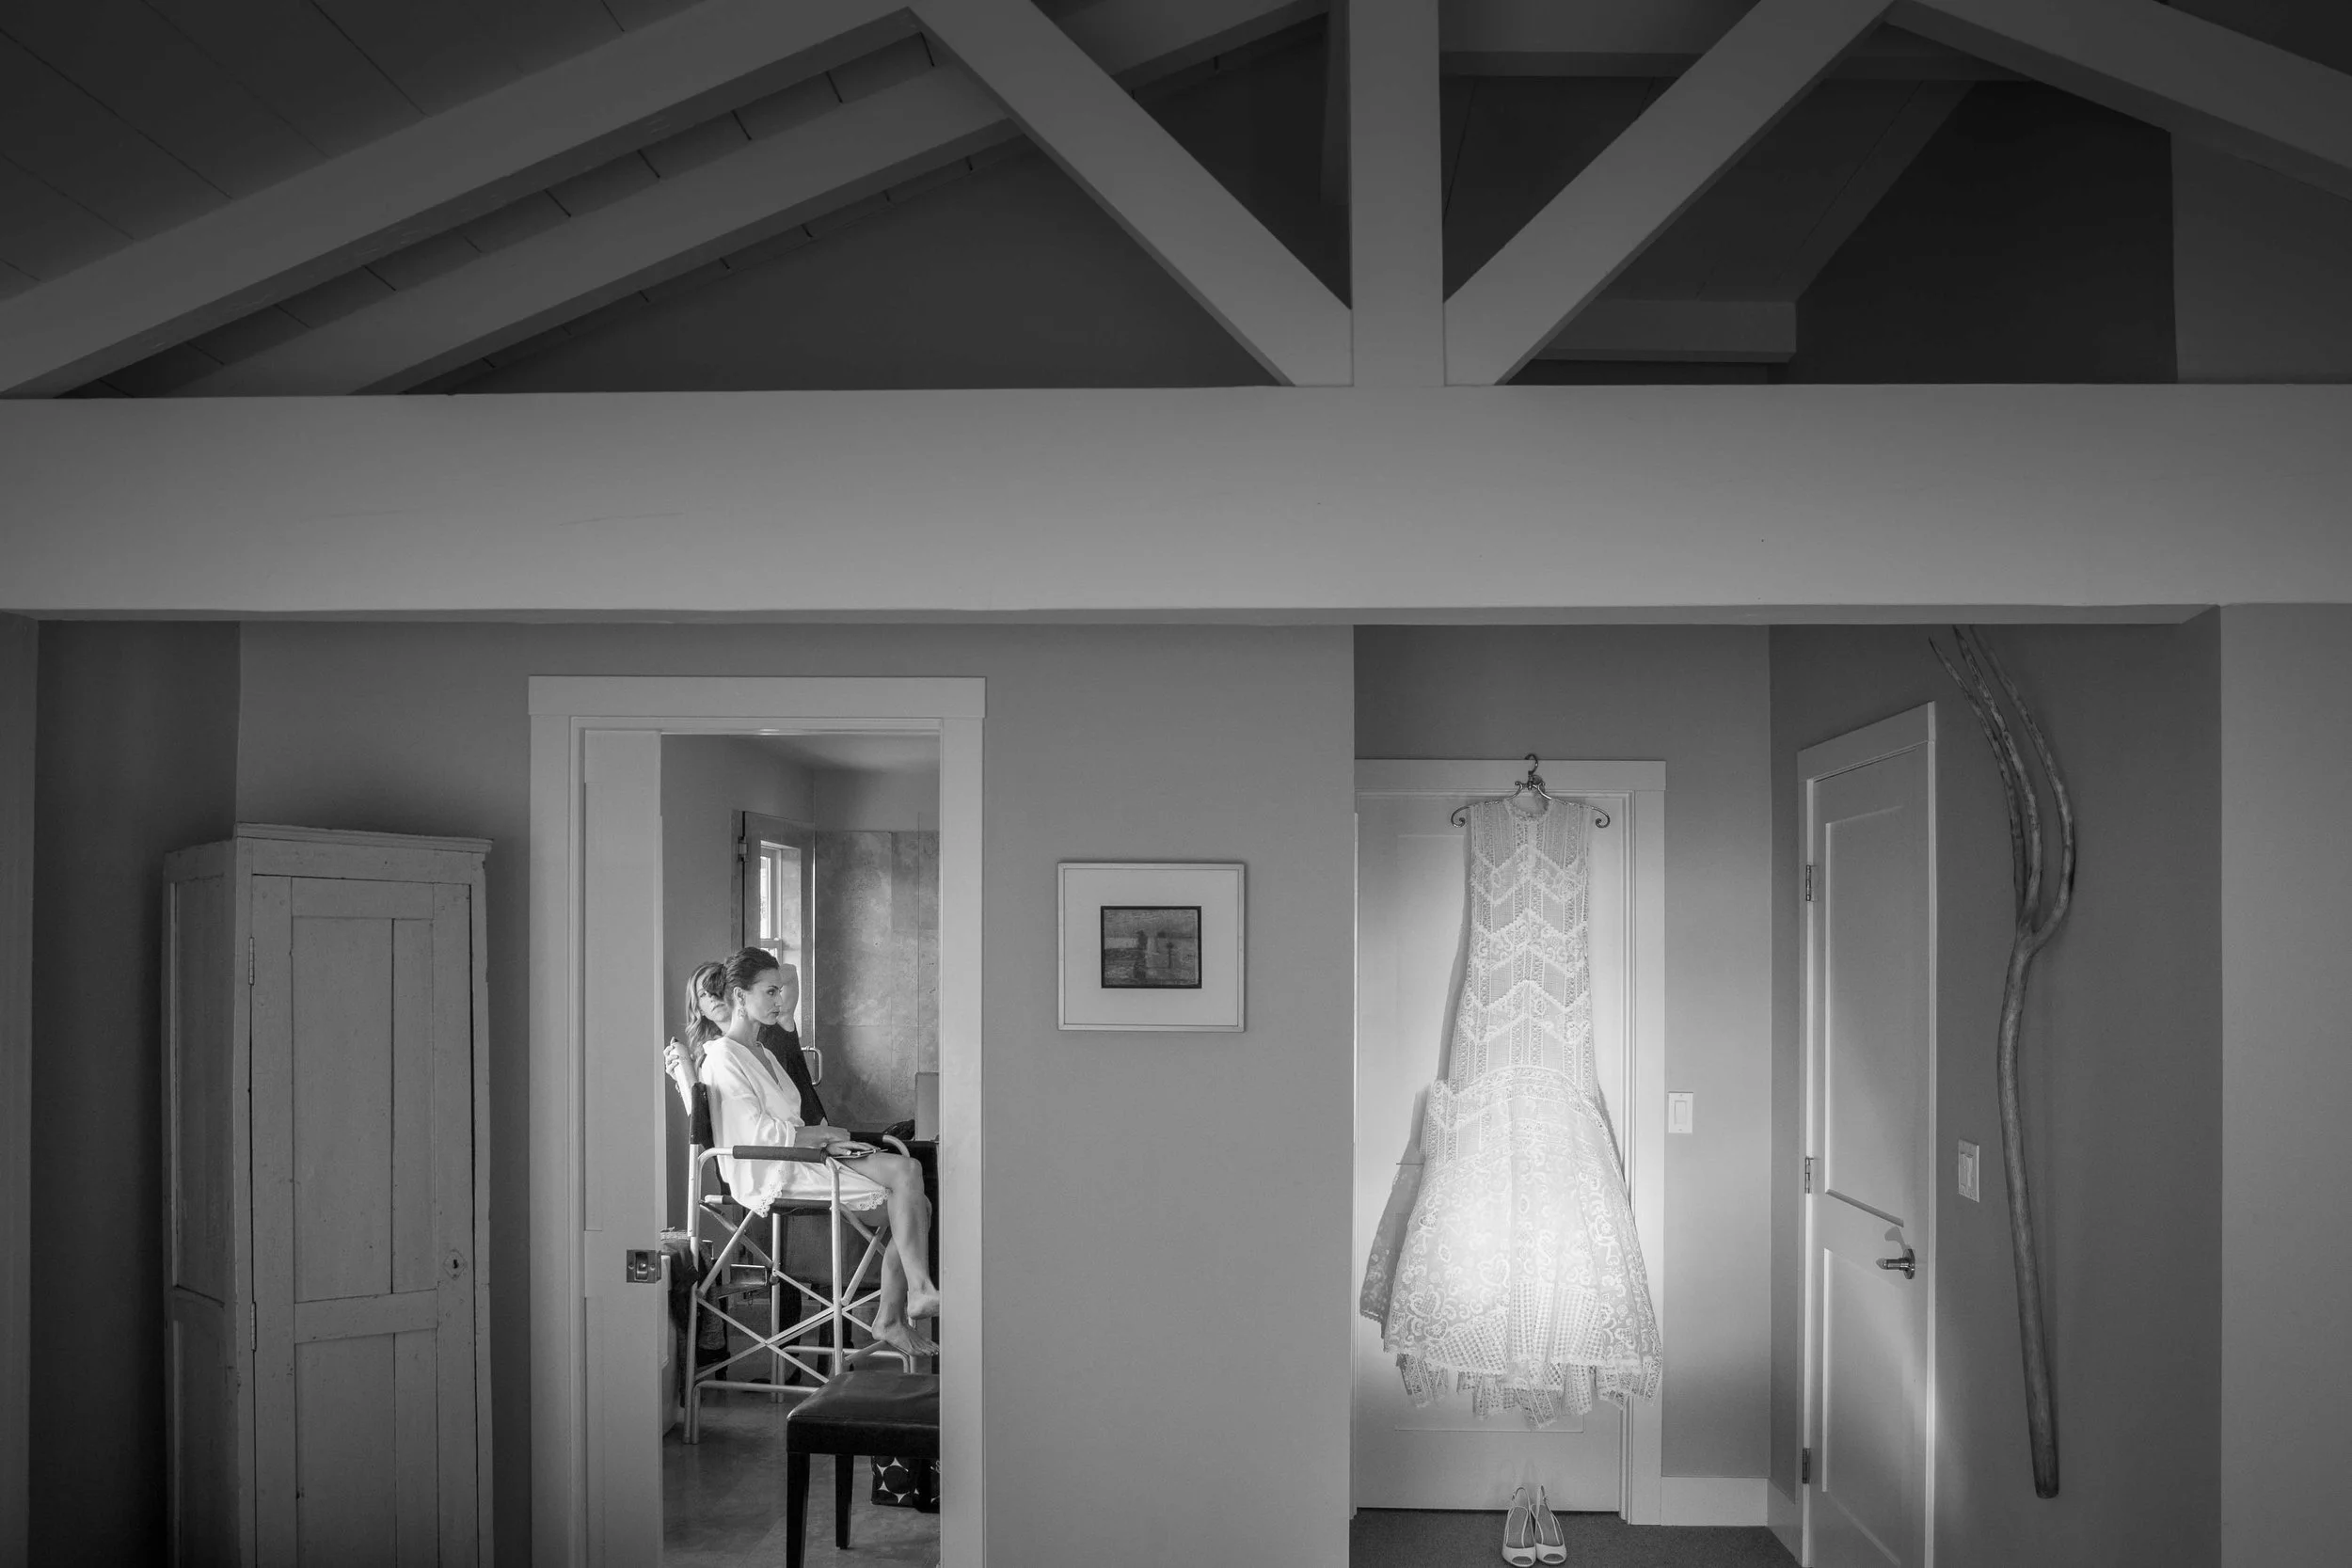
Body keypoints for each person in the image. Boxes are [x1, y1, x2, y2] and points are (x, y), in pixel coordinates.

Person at [668, 948, 940, 1360]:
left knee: (914, 1188)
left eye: (780, 990)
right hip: (773, 1169)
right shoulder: (722, 1057)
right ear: (739, 996)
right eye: (770, 991)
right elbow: (756, 1134)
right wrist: (822, 1136)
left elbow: (790, 1124)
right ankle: (909, 1299)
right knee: (909, 1186)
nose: (780, 1000)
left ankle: (893, 1314)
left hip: (807, 1154)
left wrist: (826, 1140)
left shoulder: (766, 1053)